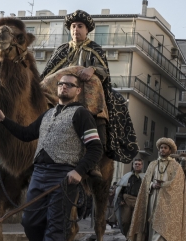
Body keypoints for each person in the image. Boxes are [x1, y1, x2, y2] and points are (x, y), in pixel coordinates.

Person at [0, 73, 103, 241]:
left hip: (64, 175)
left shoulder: (81, 114)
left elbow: (95, 148)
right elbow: (25, 134)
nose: (63, 88)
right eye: (61, 84)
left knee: (55, 225)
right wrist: (4, 120)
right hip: (39, 174)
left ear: (77, 91)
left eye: (69, 85)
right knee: (29, 222)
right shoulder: (48, 114)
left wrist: (79, 171)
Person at [40, 10, 138, 164]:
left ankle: (98, 145)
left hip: (84, 91)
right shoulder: (61, 50)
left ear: (87, 30)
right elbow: (48, 73)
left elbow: (103, 70)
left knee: (96, 84)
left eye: (80, 26)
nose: (76, 29)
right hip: (60, 89)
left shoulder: (95, 48)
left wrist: (92, 69)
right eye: (73, 26)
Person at [126, 138, 186, 241]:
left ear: (170, 150)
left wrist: (163, 185)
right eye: (161, 148)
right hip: (153, 196)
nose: (162, 150)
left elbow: (178, 184)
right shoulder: (152, 164)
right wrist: (152, 185)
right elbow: (146, 182)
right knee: (152, 221)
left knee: (163, 222)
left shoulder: (176, 166)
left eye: (165, 148)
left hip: (168, 199)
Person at [114, 158, 145, 237]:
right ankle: (126, 235)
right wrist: (120, 199)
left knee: (136, 221)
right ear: (133, 165)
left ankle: (132, 238)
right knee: (125, 221)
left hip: (138, 201)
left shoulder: (145, 178)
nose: (137, 165)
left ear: (142, 166)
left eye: (139, 164)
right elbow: (120, 189)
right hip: (126, 201)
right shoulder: (127, 176)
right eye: (136, 164)